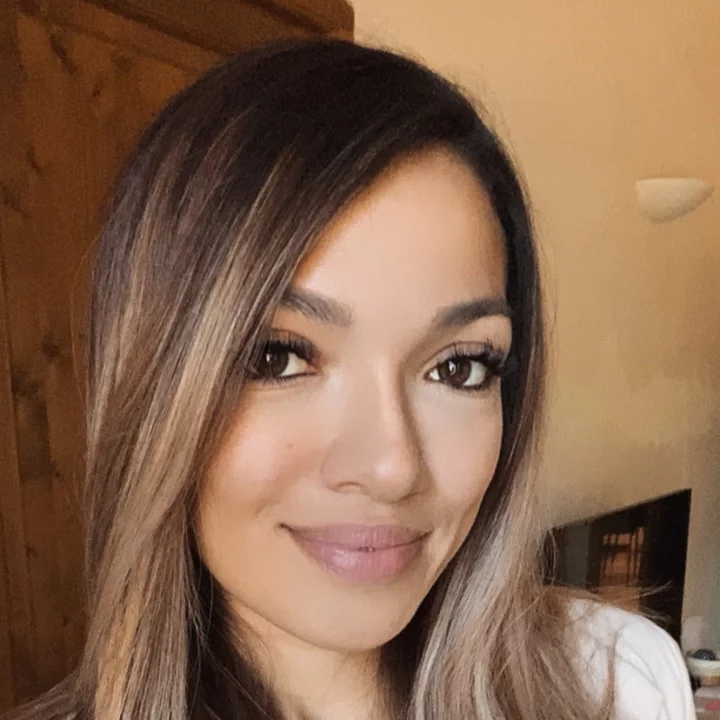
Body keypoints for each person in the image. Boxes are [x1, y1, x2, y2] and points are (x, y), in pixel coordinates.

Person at [10, 38, 695, 720]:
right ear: (155, 388)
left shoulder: (618, 683)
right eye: (277, 357)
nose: (392, 469)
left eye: (457, 367)